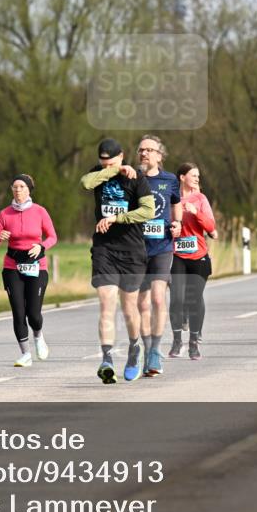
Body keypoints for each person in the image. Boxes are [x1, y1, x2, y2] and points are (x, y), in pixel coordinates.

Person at [80, 139, 155, 384]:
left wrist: (116, 219)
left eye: (110, 162)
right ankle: (107, 360)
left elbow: (148, 211)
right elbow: (86, 183)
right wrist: (113, 170)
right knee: (106, 303)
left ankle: (134, 350)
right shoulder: (99, 174)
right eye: (103, 162)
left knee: (129, 309)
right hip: (105, 249)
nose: (105, 166)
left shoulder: (137, 179)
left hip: (131, 251)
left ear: (121, 156)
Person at [0, 174, 58, 367]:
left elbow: (52, 237)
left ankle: (38, 336)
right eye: (15, 187)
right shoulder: (5, 214)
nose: (18, 190)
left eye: (21, 187)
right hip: (12, 266)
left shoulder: (40, 211)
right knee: (18, 312)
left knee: (33, 314)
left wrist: (41, 247)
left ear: (29, 190)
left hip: (37, 266)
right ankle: (25, 354)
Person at [134, 135, 182, 378]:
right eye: (141, 150)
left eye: (149, 150)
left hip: (162, 247)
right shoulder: (132, 178)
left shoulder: (169, 179)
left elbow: (176, 203)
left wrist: (178, 223)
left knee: (158, 298)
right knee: (141, 303)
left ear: (159, 156)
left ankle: (155, 350)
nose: (144, 154)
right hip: (136, 248)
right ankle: (146, 349)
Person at [169, 162, 217, 361]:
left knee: (194, 299)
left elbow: (211, 226)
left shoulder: (200, 198)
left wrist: (196, 212)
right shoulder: (172, 198)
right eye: (193, 175)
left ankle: (194, 343)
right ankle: (177, 341)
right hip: (177, 254)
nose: (197, 178)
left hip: (198, 255)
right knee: (177, 298)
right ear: (182, 177)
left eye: (198, 175)